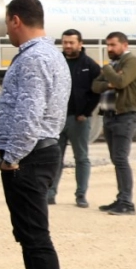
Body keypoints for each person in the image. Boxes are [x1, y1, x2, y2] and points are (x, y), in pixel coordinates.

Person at [0, 0, 71, 269]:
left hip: (30, 156)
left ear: (16, 20)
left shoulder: (35, 58)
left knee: (36, 238)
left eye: (7, 23)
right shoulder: (47, 54)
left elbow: (29, 114)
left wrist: (12, 157)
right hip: (35, 153)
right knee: (27, 236)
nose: (7, 31)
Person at [93, 31, 136, 215]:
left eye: (113, 45)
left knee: (121, 159)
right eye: (108, 45)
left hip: (125, 116)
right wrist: (109, 82)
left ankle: (127, 203)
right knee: (116, 159)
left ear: (125, 45)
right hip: (109, 116)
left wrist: (107, 70)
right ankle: (121, 198)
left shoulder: (132, 62)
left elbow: (121, 82)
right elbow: (95, 86)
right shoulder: (115, 65)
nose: (109, 48)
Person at [52, 29, 101, 207]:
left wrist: (86, 113)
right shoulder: (55, 62)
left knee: (81, 158)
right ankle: (50, 193)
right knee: (55, 158)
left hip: (78, 120)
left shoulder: (90, 65)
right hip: (57, 120)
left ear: (80, 44)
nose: (67, 46)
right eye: (65, 42)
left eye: (71, 42)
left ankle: (81, 195)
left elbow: (97, 92)